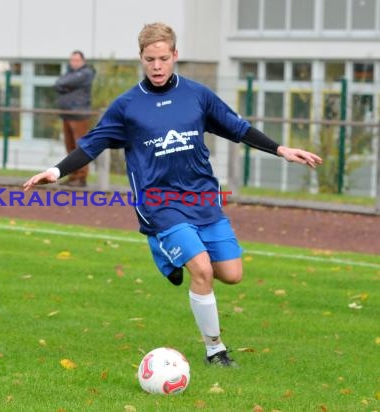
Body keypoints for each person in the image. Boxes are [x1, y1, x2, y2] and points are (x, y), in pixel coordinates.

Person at [24, 23, 322, 367]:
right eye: (150, 59)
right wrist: (56, 171)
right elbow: (92, 144)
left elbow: (238, 128)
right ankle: (215, 351)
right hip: (159, 203)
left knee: (232, 274)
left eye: (163, 58)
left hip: (203, 200)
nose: (157, 66)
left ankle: (165, 256)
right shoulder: (127, 106)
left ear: (175, 56)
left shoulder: (197, 95)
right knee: (201, 271)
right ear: (141, 58)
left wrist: (281, 149)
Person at [54, 50, 96, 187]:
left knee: (81, 148)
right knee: (70, 148)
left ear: (83, 61)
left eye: (77, 60)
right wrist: (66, 84)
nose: (74, 63)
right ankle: (72, 176)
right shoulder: (69, 73)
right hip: (66, 114)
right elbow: (58, 83)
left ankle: (81, 178)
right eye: (72, 60)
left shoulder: (86, 73)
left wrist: (65, 84)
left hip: (79, 114)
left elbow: (64, 82)